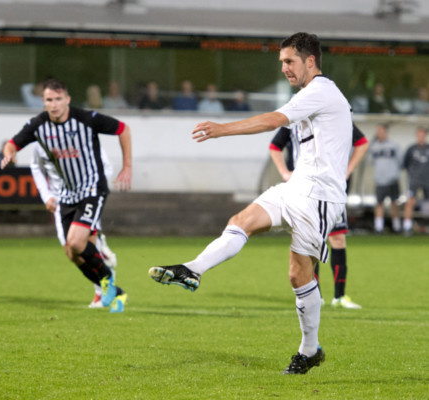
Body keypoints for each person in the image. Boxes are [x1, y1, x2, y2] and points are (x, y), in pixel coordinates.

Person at [149, 32, 351, 374]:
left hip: (319, 197)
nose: (284, 68)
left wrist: (221, 129)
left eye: (290, 61)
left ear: (311, 61)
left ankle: (309, 349)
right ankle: (193, 269)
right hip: (296, 187)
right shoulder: (310, 94)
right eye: (282, 62)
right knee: (241, 219)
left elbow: (272, 120)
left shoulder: (321, 91)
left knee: (298, 275)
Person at [0, 78, 132, 313]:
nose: (54, 104)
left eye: (58, 99)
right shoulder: (38, 126)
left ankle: (106, 280)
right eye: (49, 100)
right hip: (66, 195)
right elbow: (12, 143)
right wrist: (9, 154)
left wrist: (127, 166)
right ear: (43, 102)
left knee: (76, 241)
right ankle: (115, 290)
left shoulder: (86, 119)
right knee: (72, 252)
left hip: (92, 189)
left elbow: (123, 129)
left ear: (68, 100)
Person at [270, 124, 369, 309]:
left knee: (338, 238)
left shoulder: (334, 115)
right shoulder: (294, 120)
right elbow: (275, 146)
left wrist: (347, 171)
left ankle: (339, 296)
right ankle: (316, 296)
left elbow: (362, 142)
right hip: (303, 191)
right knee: (310, 241)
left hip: (331, 189)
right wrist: (284, 173)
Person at [29, 141, 118, 308]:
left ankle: (102, 289)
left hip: (86, 199)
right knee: (72, 253)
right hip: (60, 202)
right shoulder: (39, 140)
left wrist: (96, 192)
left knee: (81, 244)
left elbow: (106, 166)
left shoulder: (82, 132)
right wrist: (46, 195)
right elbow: (36, 167)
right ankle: (103, 263)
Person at [370, 124, 402, 233]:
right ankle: (378, 227)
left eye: (382, 132)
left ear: (386, 133)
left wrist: (394, 174)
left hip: (392, 180)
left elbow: (400, 162)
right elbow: (372, 162)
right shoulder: (374, 147)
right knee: (379, 203)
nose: (380, 134)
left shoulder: (394, 145)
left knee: (394, 203)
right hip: (379, 180)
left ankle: (397, 227)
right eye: (378, 132)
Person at [402, 126, 429, 235]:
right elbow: (406, 164)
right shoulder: (411, 149)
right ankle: (407, 227)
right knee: (410, 202)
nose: (420, 137)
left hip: (427, 180)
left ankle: (426, 227)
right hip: (414, 180)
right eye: (419, 135)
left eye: (422, 135)